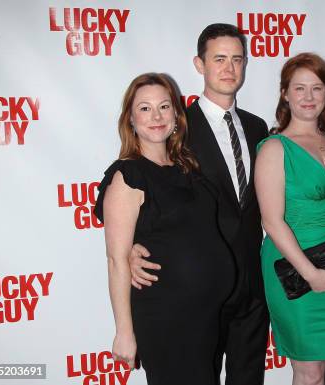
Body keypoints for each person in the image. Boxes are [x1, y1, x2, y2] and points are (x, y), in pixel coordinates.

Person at [127, 24, 270, 385]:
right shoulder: (176, 126)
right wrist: (131, 246)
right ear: (199, 64)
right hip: (200, 284)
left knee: (248, 376)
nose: (229, 68)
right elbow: (145, 186)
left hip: (253, 282)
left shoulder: (257, 128)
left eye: (237, 59)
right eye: (219, 58)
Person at [94, 73, 235, 384]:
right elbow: (117, 259)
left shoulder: (187, 167)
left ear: (176, 115)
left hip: (205, 315)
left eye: (164, 106)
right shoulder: (128, 175)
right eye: (144, 109)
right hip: (167, 318)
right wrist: (124, 332)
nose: (156, 116)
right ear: (130, 119)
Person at [255, 52, 325, 385]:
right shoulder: (274, 149)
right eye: (299, 88)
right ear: (285, 94)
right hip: (296, 267)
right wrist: (310, 274)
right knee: (309, 373)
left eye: (317, 88)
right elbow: (272, 221)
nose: (308, 97)